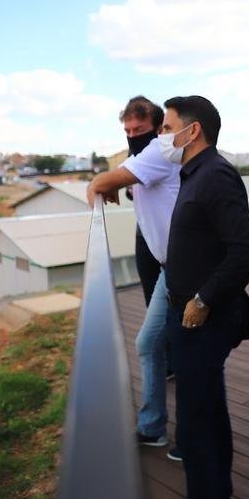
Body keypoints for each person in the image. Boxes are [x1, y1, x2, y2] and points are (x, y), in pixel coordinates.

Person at [155, 95, 249, 499]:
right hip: (189, 318)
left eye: (168, 127)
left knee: (195, 434)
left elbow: (246, 249)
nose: (162, 135)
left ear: (192, 131)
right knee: (210, 417)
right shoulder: (196, 174)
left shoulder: (214, 176)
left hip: (199, 319)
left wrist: (200, 299)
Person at [86, 95, 179, 450]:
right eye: (126, 130)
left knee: (161, 345)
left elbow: (106, 180)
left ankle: (161, 428)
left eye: (138, 129)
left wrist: (99, 184)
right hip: (172, 263)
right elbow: (127, 180)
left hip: (183, 265)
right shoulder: (146, 155)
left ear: (156, 127)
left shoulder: (160, 150)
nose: (131, 135)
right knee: (156, 342)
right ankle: (154, 427)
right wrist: (114, 186)